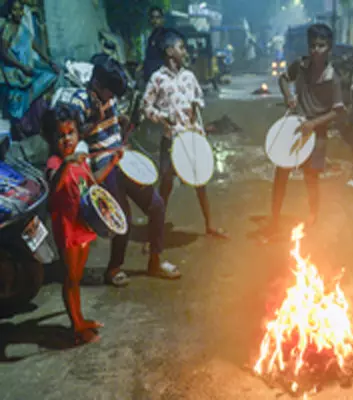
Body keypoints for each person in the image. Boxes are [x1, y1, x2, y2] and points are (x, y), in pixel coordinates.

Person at [67, 54, 181, 287]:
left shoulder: (109, 95)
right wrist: (96, 119)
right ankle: (113, 268)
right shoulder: (78, 102)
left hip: (122, 158)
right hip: (104, 163)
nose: (112, 98)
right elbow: (74, 135)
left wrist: (120, 121)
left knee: (156, 205)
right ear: (97, 84)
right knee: (123, 218)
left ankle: (155, 262)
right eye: (110, 93)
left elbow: (111, 121)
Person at [44, 103, 123, 344]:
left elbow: (92, 183)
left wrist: (111, 163)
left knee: (77, 276)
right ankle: (76, 326)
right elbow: (54, 185)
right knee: (70, 276)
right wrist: (68, 162)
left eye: (71, 133)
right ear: (52, 138)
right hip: (67, 228)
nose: (67, 139)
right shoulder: (56, 163)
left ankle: (79, 318)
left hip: (82, 226)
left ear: (78, 134)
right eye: (61, 135)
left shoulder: (81, 161)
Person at [260, 23, 345, 241]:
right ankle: (275, 221)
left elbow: (338, 111)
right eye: (313, 45)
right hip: (295, 127)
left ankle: (314, 219)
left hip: (316, 133)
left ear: (329, 48)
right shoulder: (301, 66)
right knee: (281, 174)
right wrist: (288, 96)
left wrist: (314, 123)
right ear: (308, 47)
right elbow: (282, 78)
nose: (317, 50)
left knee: (311, 179)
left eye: (322, 45)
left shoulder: (332, 77)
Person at [142, 31, 228, 238]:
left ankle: (210, 225)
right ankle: (155, 232)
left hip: (192, 137)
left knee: (200, 182)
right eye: (181, 47)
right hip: (171, 139)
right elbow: (146, 107)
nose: (185, 51)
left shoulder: (189, 76)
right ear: (170, 52)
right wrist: (163, 117)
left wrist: (197, 106)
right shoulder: (157, 79)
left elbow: (199, 97)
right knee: (166, 185)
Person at [0, 0, 58, 124]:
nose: (19, 13)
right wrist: (21, 67)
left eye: (20, 9)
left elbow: (32, 44)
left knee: (50, 75)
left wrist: (48, 61)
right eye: (15, 10)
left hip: (26, 66)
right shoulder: (8, 28)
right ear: (10, 12)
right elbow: (3, 53)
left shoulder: (23, 28)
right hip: (15, 71)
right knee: (17, 111)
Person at [143, 6, 167, 84]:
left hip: (160, 78)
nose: (155, 20)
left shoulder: (165, 36)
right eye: (153, 17)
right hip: (150, 78)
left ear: (162, 19)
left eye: (158, 17)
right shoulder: (151, 37)